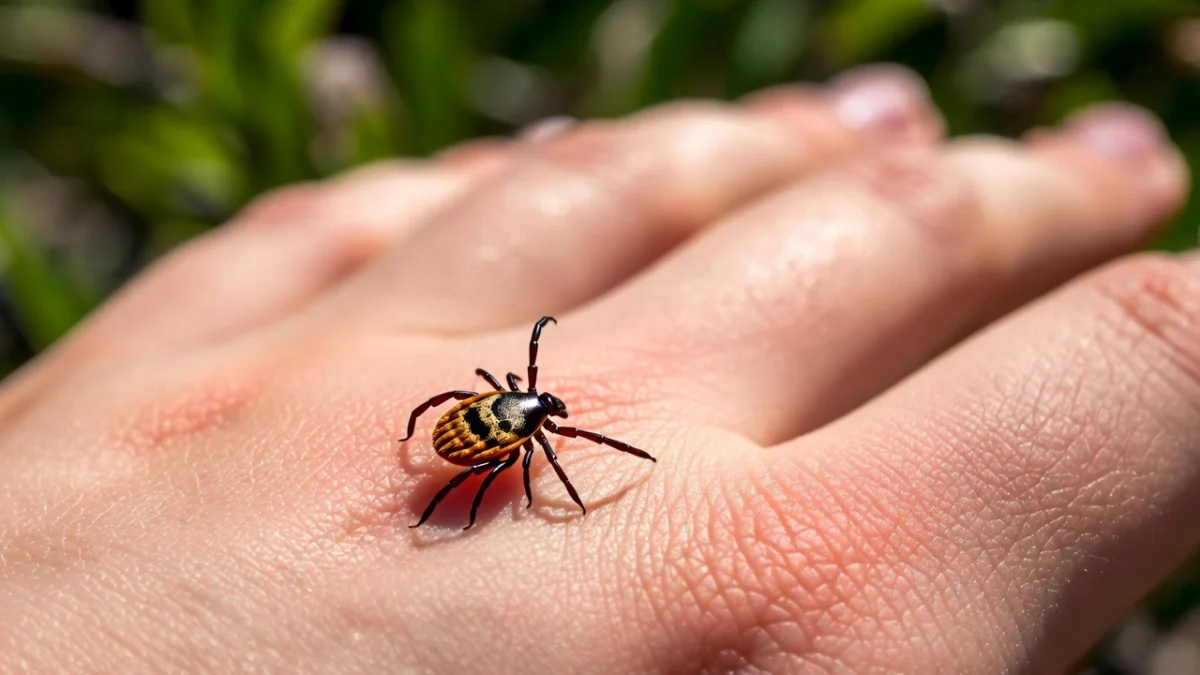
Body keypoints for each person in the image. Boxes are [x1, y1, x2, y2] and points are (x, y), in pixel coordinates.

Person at [0, 63, 1193, 673]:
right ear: (522, 418)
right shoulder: (520, 445)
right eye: (533, 407)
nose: (539, 409)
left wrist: (453, 471)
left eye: (528, 405)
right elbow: (486, 472)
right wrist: (521, 491)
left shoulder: (484, 420)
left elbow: (452, 439)